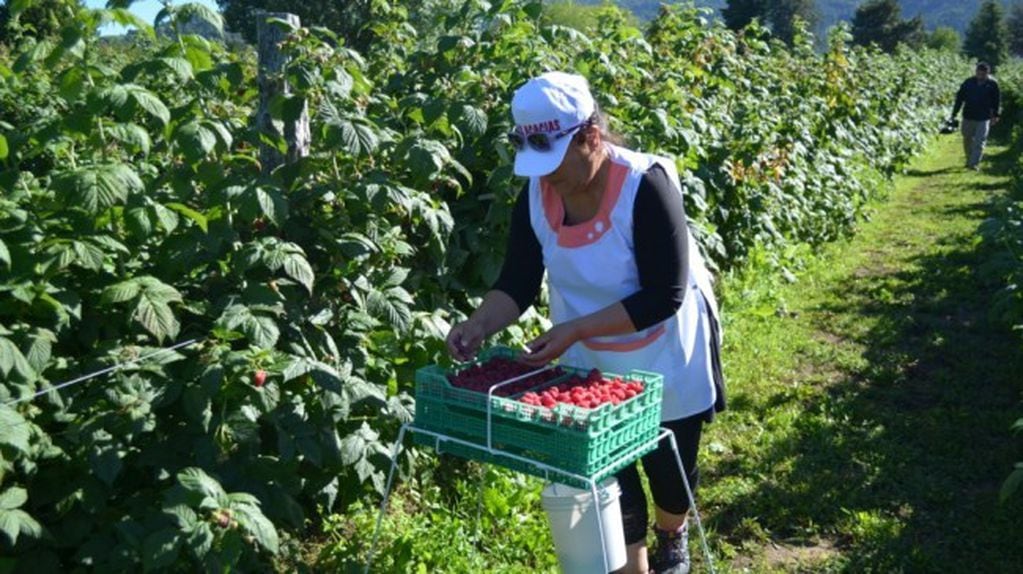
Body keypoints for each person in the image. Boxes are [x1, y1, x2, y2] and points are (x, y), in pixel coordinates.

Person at [445, 71, 725, 574]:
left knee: (670, 466)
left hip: (664, 344)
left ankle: (673, 533)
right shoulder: (535, 196)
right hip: (592, 355)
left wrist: (574, 330)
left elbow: (666, 293)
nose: (546, 176)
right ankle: (628, 564)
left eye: (554, 162)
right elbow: (518, 281)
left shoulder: (646, 184)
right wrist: (479, 323)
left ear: (590, 136)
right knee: (609, 467)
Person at [951, 62, 1001, 170]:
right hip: (968, 115)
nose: (981, 76)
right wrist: (954, 113)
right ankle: (969, 159)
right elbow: (959, 98)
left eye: (983, 74)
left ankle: (973, 164)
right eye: (979, 73)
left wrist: (995, 115)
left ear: (988, 73)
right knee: (967, 139)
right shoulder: (968, 83)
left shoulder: (992, 84)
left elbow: (996, 101)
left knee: (979, 141)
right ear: (976, 72)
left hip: (984, 117)